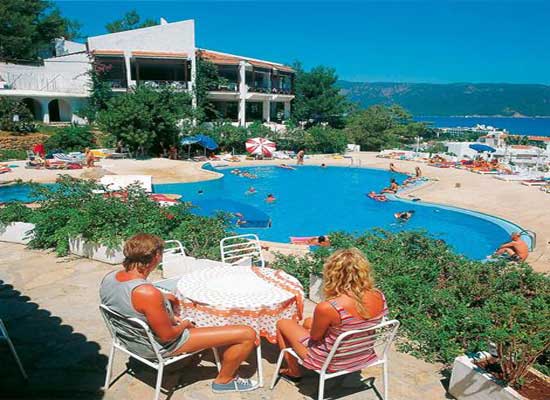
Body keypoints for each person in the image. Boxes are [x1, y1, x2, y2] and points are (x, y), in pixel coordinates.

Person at [99, 234, 259, 393]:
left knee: (198, 320)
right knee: (247, 334)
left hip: (128, 340)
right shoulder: (147, 293)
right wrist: (185, 324)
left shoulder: (110, 277)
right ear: (156, 256)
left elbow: (127, 299)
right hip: (156, 347)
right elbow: (168, 336)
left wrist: (163, 297)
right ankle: (224, 381)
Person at [275, 248, 387, 380]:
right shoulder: (379, 295)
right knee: (308, 322)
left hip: (330, 362)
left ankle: (293, 371)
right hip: (362, 355)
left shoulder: (329, 307)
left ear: (333, 274)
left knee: (283, 323)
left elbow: (315, 337)